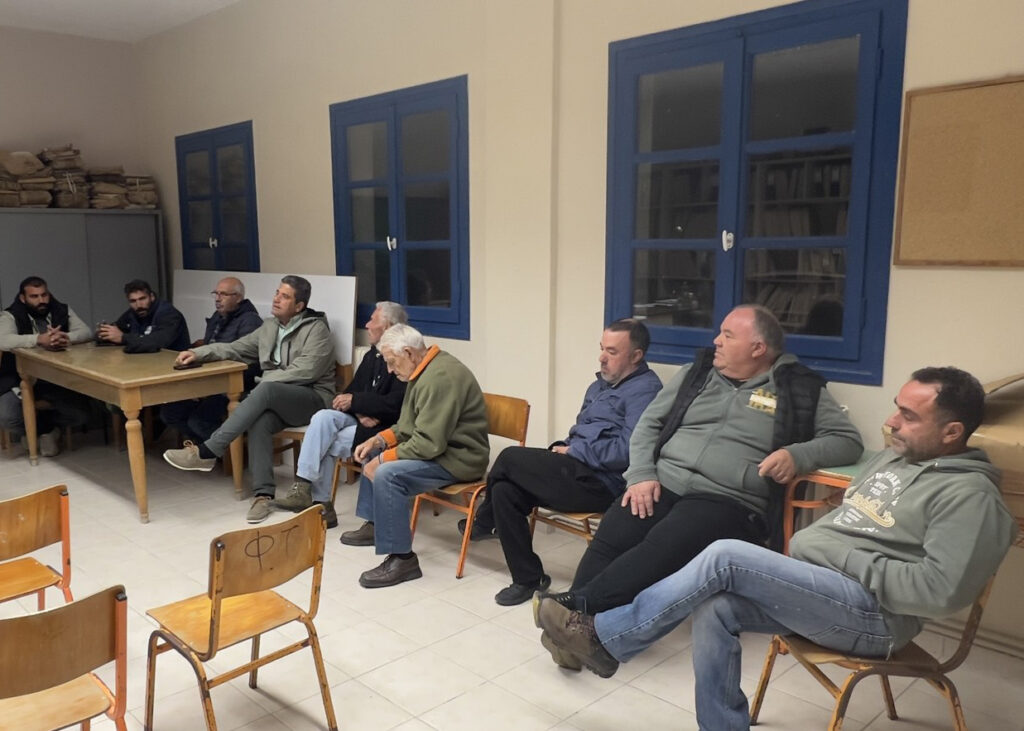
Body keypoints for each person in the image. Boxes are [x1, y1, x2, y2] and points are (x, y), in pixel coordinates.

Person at [534, 367, 1018, 731]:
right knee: (717, 605)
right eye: (896, 407)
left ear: (952, 432)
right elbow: (841, 527)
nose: (891, 422)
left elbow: (939, 593)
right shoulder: (892, 461)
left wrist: (833, 553)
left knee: (725, 555)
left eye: (909, 416)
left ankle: (607, 637)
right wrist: (821, 546)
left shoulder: (970, 496)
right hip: (828, 593)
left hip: (875, 619)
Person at [539, 304, 862, 668]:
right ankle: (573, 631)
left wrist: (796, 454)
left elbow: (847, 441)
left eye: (727, 335)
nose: (716, 341)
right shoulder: (697, 373)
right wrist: (642, 474)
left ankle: (575, 609)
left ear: (758, 348)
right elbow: (648, 425)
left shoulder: (798, 387)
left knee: (663, 543)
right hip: (664, 480)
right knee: (615, 531)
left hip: (728, 499)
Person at [467, 319, 662, 606]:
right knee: (506, 492)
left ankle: (484, 521)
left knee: (509, 457)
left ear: (636, 356)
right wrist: (564, 448)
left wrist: (574, 451)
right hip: (574, 470)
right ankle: (528, 579)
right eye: (601, 348)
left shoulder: (646, 392)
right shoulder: (598, 386)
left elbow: (628, 450)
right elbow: (581, 432)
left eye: (612, 351)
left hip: (601, 483)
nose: (602, 357)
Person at [162, 276, 336, 524]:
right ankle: (263, 495)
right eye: (277, 293)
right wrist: (197, 353)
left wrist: (266, 383)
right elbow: (234, 348)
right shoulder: (269, 327)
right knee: (259, 420)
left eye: (285, 296)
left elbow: (307, 371)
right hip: (278, 398)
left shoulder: (316, 329)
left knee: (265, 390)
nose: (276, 299)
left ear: (299, 306)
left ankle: (208, 450)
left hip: (313, 398)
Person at [340, 323, 489, 589]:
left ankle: (403, 559)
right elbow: (408, 425)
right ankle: (376, 524)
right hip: (441, 451)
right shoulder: (422, 369)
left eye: (391, 362)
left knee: (387, 473)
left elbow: (428, 443)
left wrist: (383, 460)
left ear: (408, 352)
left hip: (460, 459)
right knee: (374, 450)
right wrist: (378, 440)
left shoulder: (441, 377)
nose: (389, 370)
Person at [272, 301, 409, 528]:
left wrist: (358, 403)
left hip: (384, 428)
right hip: (362, 419)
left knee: (327, 444)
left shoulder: (402, 358)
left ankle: (322, 507)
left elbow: (397, 404)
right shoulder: (373, 355)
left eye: (372, 320)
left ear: (388, 327)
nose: (367, 325)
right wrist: (360, 409)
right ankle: (303, 485)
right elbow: (351, 393)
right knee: (322, 417)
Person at [159, 277, 263, 443]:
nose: (217, 299)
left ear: (238, 297)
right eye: (216, 293)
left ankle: (227, 449)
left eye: (223, 294)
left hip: (234, 385)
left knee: (198, 421)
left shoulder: (250, 320)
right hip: (207, 380)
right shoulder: (217, 317)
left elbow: (248, 363)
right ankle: (206, 447)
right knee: (169, 413)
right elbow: (209, 348)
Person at [0, 276, 92, 456]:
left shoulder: (61, 309)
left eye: (44, 295)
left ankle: (42, 432)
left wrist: (65, 337)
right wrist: (38, 339)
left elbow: (86, 332)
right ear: (23, 298)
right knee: (6, 416)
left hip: (55, 379)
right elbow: (3, 340)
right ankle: (43, 433)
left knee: (81, 414)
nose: (41, 300)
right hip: (18, 379)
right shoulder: (10, 315)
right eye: (34, 296)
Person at [97, 279, 190, 352]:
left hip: (172, 363)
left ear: (152, 297)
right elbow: (116, 330)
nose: (138, 305)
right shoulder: (133, 313)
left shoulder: (168, 314)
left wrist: (123, 338)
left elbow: (157, 343)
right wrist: (103, 333)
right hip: (145, 361)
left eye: (142, 299)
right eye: (133, 301)